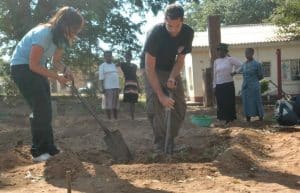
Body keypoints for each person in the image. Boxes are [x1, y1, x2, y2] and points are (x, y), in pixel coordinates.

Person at [10, 6, 84, 162]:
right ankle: (38, 152)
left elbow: (55, 61)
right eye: (74, 29)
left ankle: (49, 148)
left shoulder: (61, 38)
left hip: (36, 68)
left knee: (45, 108)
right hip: (22, 68)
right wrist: (57, 77)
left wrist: (65, 69)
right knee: (41, 107)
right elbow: (33, 65)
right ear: (64, 24)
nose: (75, 33)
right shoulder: (44, 33)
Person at [141, 4, 194, 154]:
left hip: (170, 68)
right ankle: (160, 144)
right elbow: (150, 67)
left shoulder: (188, 33)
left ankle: (169, 140)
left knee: (180, 106)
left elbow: (180, 60)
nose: (173, 30)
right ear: (165, 20)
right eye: (169, 26)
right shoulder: (155, 33)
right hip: (152, 68)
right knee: (156, 105)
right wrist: (161, 95)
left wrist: (172, 76)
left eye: (177, 26)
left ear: (182, 21)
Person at [213, 43, 242, 125]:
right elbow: (214, 74)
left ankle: (230, 118)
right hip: (219, 84)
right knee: (220, 102)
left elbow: (241, 65)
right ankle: (221, 117)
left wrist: (235, 72)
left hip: (228, 84)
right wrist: (214, 85)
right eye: (218, 51)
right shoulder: (216, 61)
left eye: (221, 50)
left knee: (229, 101)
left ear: (225, 51)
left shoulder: (230, 59)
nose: (219, 52)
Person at [240, 48, 264, 122]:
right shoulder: (243, 64)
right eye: (245, 53)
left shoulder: (257, 64)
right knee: (246, 102)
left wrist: (254, 81)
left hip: (254, 86)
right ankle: (248, 117)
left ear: (252, 53)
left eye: (248, 53)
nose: (246, 54)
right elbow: (239, 71)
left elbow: (261, 76)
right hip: (245, 86)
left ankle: (260, 117)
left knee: (257, 101)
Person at [99, 50, 120, 120]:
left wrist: (118, 87)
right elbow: (101, 78)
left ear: (112, 57)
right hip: (108, 88)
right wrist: (102, 88)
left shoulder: (114, 65)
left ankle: (116, 118)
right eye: (107, 56)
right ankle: (109, 119)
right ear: (104, 57)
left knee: (115, 104)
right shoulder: (102, 66)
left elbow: (116, 76)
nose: (109, 57)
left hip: (116, 87)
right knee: (108, 105)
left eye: (110, 56)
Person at [120, 51, 139, 120]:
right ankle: (127, 115)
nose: (128, 57)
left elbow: (135, 76)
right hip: (128, 83)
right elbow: (116, 65)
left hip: (134, 84)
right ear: (125, 57)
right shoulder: (123, 64)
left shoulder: (135, 66)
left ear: (131, 57)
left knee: (133, 101)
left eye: (129, 56)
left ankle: (132, 116)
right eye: (126, 56)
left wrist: (138, 86)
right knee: (127, 100)